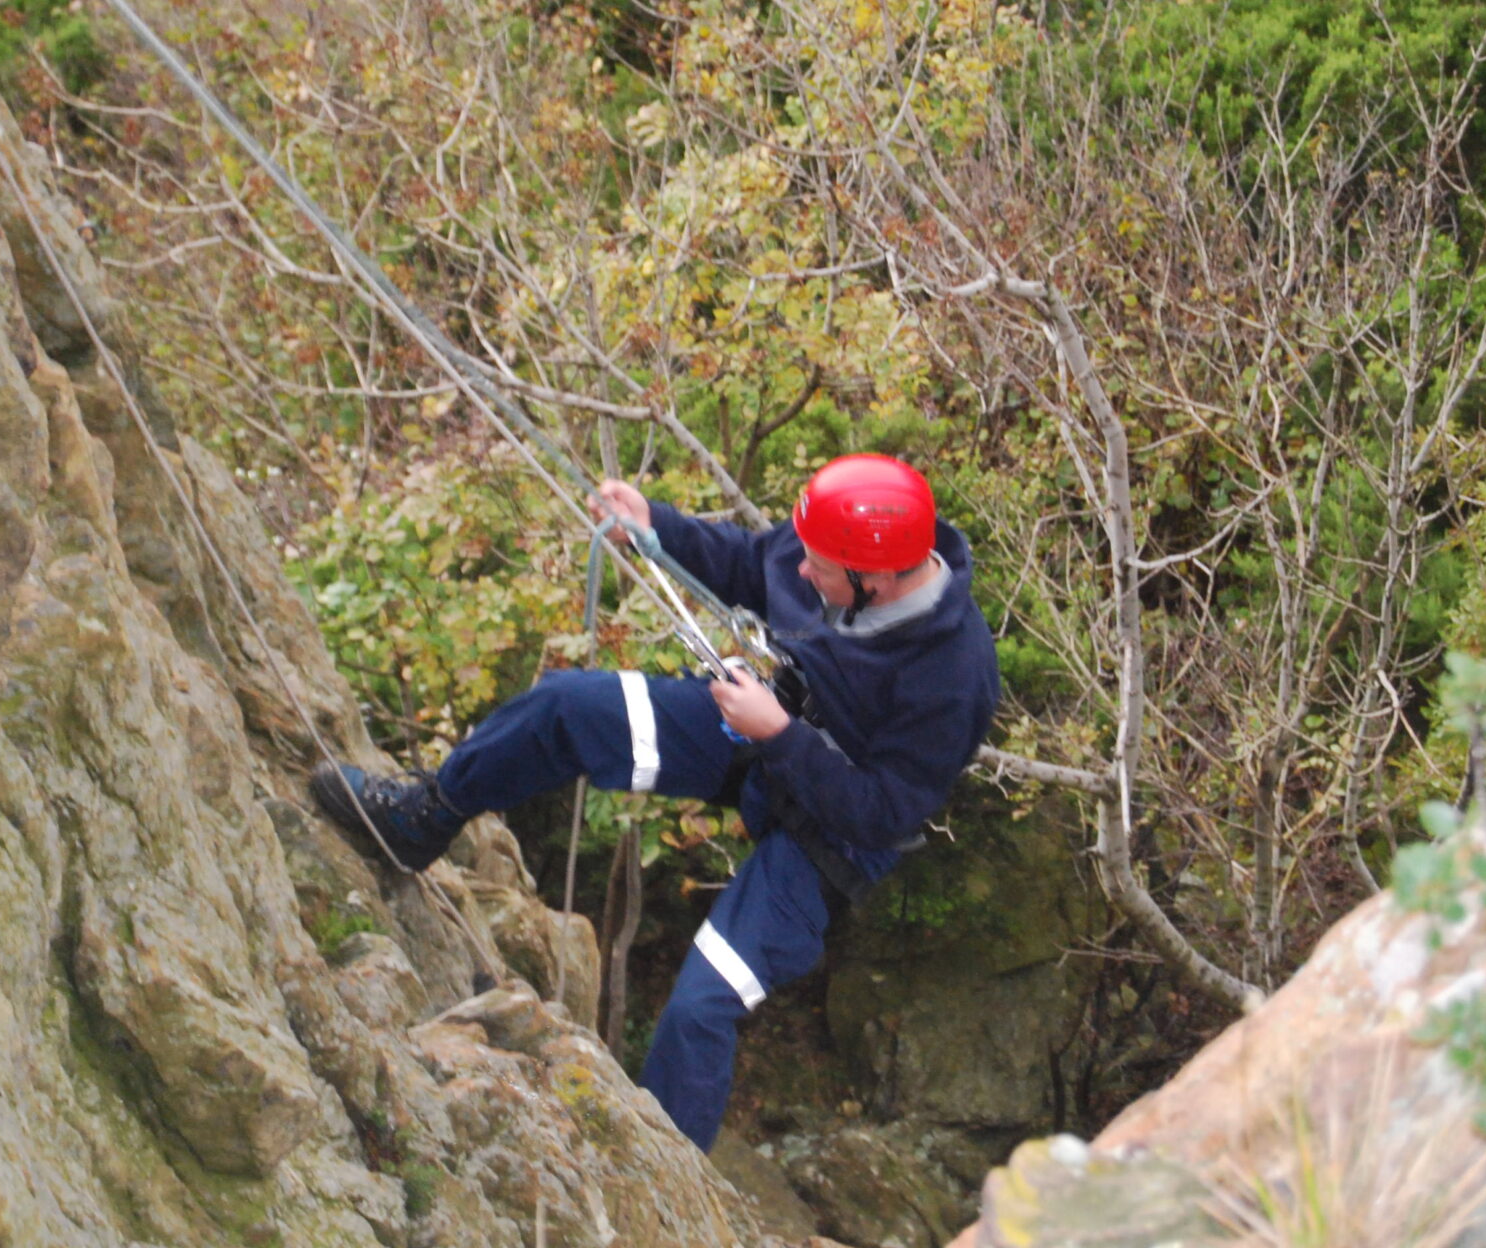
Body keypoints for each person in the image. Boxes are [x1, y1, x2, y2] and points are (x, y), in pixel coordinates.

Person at [311, 454, 1001, 1152]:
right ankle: (422, 819)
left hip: (831, 833)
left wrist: (782, 735)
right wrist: (656, 526)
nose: (801, 572)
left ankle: (671, 1179)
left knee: (700, 1009)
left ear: (874, 580)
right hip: (759, 733)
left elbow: (885, 811)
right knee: (563, 706)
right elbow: (753, 561)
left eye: (819, 567)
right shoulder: (829, 544)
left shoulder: (952, 675)